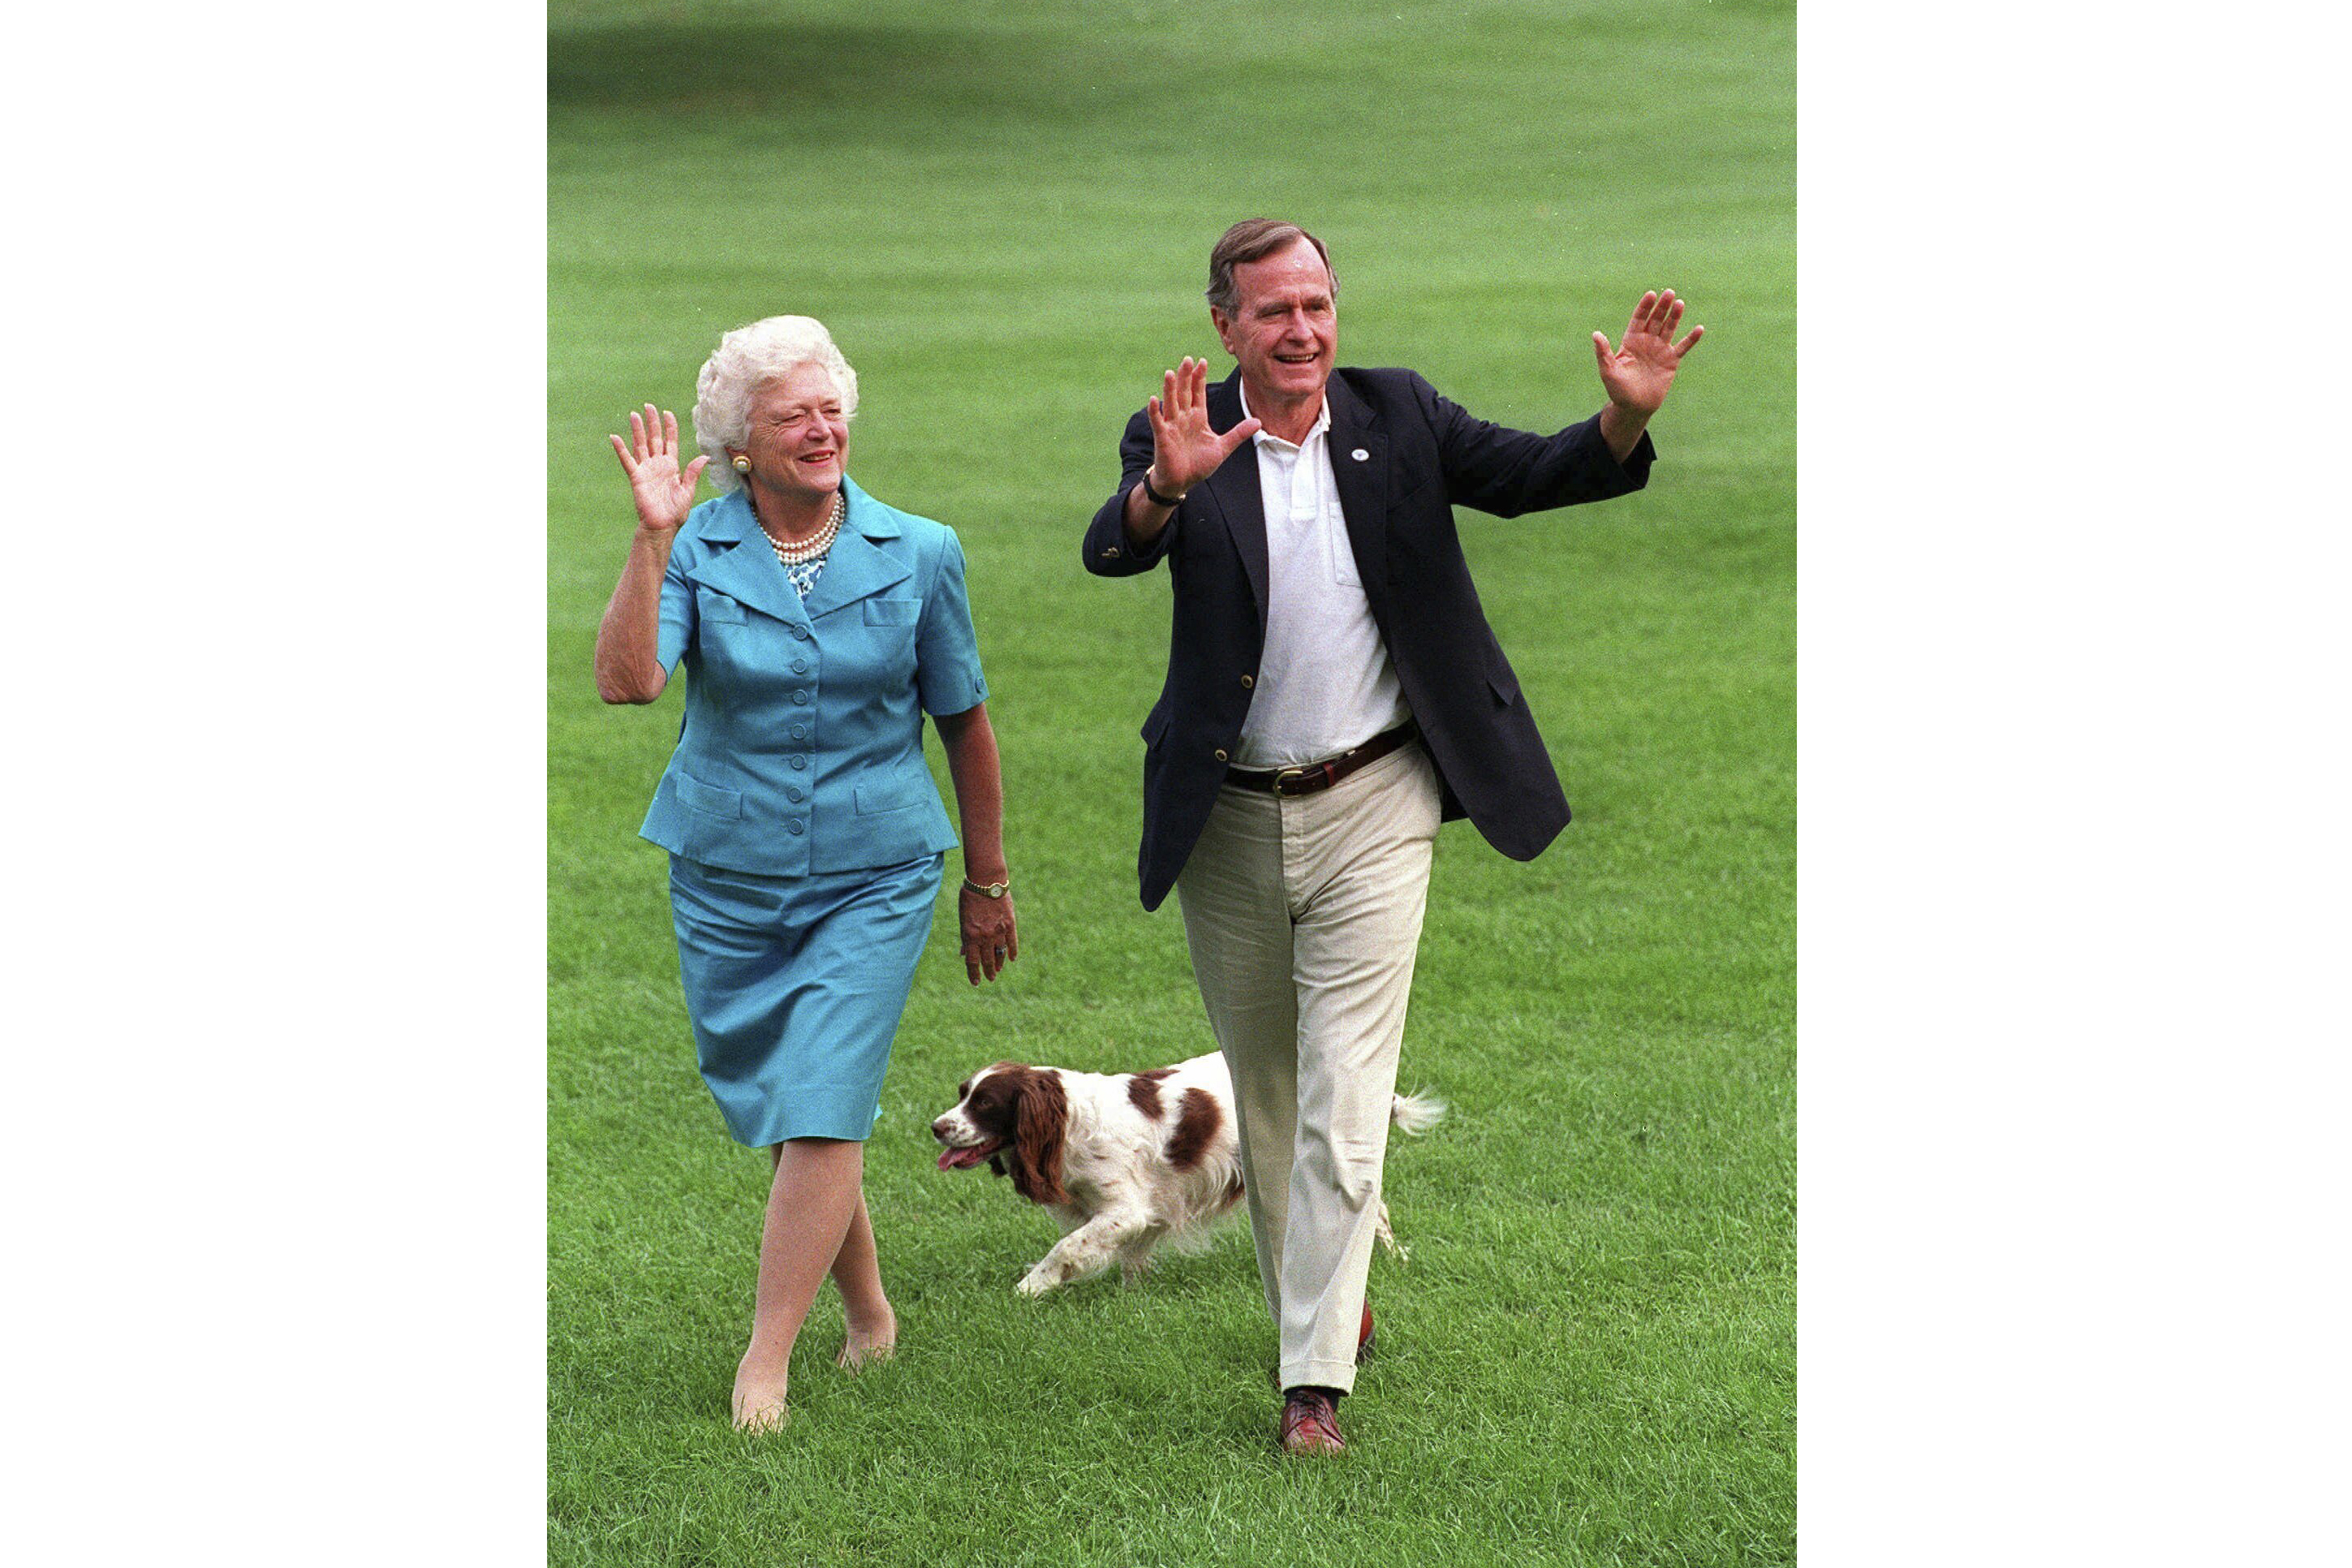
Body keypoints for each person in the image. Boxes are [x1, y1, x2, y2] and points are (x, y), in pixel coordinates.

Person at [1081, 220, 1702, 1454]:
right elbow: (1113, 545)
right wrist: (1168, 483)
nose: (1301, 329)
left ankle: (1310, 1382)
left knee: (1344, 1095)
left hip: (1377, 798)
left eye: (1315, 304)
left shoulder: (1398, 412)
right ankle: (1328, 1297)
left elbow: (1535, 474)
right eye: (1272, 312)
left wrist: (1623, 417)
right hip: (1228, 815)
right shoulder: (1182, 428)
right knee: (1263, 1095)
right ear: (1225, 326)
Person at [597, 315, 1017, 1432]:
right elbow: (630, 683)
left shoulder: (919, 550)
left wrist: (986, 879)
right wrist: (649, 541)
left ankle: (765, 1365)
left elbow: (964, 722)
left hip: (876, 869)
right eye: (793, 415)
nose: (821, 429)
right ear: (742, 443)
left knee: (826, 1103)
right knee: (794, 1109)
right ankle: (870, 1311)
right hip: (726, 871)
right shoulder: (696, 547)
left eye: (832, 409)